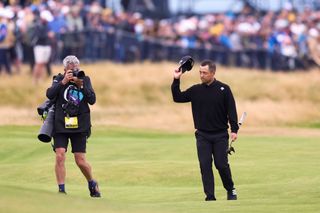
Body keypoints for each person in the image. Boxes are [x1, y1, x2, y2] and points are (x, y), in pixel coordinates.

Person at [171, 59, 239, 201]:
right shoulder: (196, 90)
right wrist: (176, 80)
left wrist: (234, 130)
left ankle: (230, 189)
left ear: (213, 73)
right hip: (202, 135)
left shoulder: (224, 89)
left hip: (220, 135)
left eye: (205, 73)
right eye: (200, 72)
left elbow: (231, 111)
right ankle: (210, 196)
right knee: (205, 165)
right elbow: (177, 97)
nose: (201, 75)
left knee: (221, 165)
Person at [46, 55, 101, 197]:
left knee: (80, 161)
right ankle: (61, 189)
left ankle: (92, 182)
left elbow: (92, 100)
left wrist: (80, 85)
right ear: (65, 70)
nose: (74, 72)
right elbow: (50, 94)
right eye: (71, 70)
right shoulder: (58, 79)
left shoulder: (85, 79)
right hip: (61, 124)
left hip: (80, 125)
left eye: (76, 69)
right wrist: (63, 82)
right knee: (60, 155)